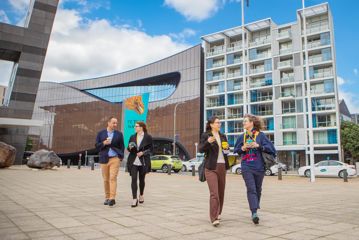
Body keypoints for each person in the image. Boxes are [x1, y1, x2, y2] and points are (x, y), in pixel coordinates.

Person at [234, 114, 276, 224]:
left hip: (259, 167)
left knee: (258, 190)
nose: (243, 123)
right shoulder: (241, 136)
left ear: (252, 123)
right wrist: (243, 148)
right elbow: (236, 150)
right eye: (243, 121)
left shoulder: (261, 136)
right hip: (246, 166)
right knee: (251, 189)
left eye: (245, 121)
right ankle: (254, 213)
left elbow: (272, 149)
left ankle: (255, 209)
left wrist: (258, 145)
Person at [199, 116, 230, 227]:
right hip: (210, 167)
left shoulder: (223, 136)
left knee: (221, 192)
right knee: (214, 193)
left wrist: (227, 149)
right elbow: (201, 149)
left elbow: (226, 151)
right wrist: (207, 142)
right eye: (217, 123)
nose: (219, 124)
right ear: (211, 124)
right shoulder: (206, 135)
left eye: (220, 123)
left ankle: (219, 212)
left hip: (222, 166)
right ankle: (214, 217)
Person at [95, 117, 125, 207]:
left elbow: (122, 146)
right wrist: (104, 143)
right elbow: (96, 146)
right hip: (104, 158)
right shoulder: (100, 133)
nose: (115, 125)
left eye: (116, 123)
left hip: (115, 158)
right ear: (108, 123)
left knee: (113, 178)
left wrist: (120, 157)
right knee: (106, 179)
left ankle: (112, 198)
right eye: (113, 123)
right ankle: (107, 197)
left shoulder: (119, 134)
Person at [127, 121, 153, 207]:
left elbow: (151, 150)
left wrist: (143, 153)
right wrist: (130, 147)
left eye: (136, 126)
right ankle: (134, 199)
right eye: (135, 126)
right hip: (133, 161)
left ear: (141, 127)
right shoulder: (132, 137)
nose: (135, 127)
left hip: (143, 162)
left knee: (142, 180)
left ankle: (141, 194)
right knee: (133, 179)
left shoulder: (148, 137)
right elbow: (128, 148)